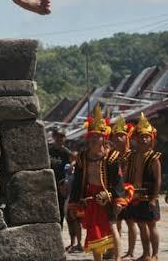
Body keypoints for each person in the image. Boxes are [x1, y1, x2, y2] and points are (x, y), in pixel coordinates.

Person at [68, 104, 127, 261]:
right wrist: (74, 203)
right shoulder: (82, 157)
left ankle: (118, 259)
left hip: (107, 196)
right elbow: (78, 181)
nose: (94, 139)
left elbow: (118, 180)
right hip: (91, 198)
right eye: (91, 136)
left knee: (112, 225)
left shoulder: (112, 157)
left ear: (104, 137)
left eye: (97, 136)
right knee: (93, 231)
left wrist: (117, 199)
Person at [126, 113, 161, 261]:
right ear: (136, 138)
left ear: (151, 139)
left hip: (149, 196)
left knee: (151, 225)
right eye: (141, 137)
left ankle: (155, 254)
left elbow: (158, 180)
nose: (144, 139)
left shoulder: (154, 158)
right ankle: (145, 253)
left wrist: (154, 198)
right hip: (136, 195)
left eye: (147, 137)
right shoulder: (133, 156)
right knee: (141, 225)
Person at [110, 116, 137, 260]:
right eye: (116, 136)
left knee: (131, 221)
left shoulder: (132, 155)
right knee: (116, 222)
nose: (118, 138)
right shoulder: (111, 155)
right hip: (116, 191)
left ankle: (131, 251)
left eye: (121, 135)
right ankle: (117, 251)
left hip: (129, 192)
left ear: (127, 138)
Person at [48, 127, 73, 227]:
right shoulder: (48, 150)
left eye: (62, 137)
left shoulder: (66, 153)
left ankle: (60, 227)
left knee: (61, 208)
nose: (60, 139)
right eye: (58, 136)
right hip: (48, 183)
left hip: (61, 184)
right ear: (54, 137)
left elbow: (70, 169)